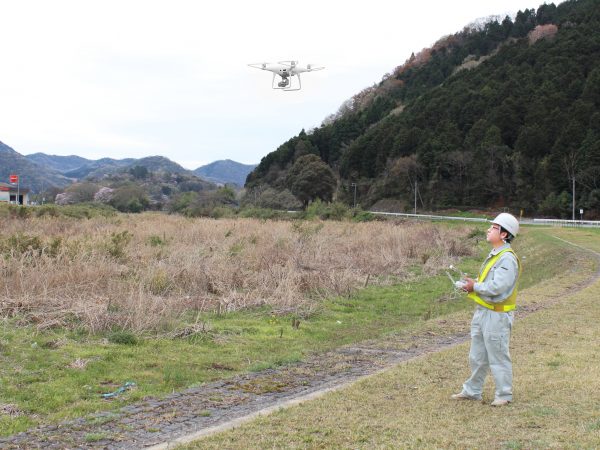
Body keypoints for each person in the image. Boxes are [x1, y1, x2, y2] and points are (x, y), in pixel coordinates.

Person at [451, 213, 521, 406]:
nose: (488, 230)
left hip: (497, 315)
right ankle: (472, 391)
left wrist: (476, 287)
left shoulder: (507, 258)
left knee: (498, 355)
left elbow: (499, 287)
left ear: (504, 234)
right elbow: (489, 284)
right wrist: (472, 285)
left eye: (493, 227)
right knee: (477, 355)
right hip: (483, 312)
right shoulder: (495, 255)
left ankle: (504, 395)